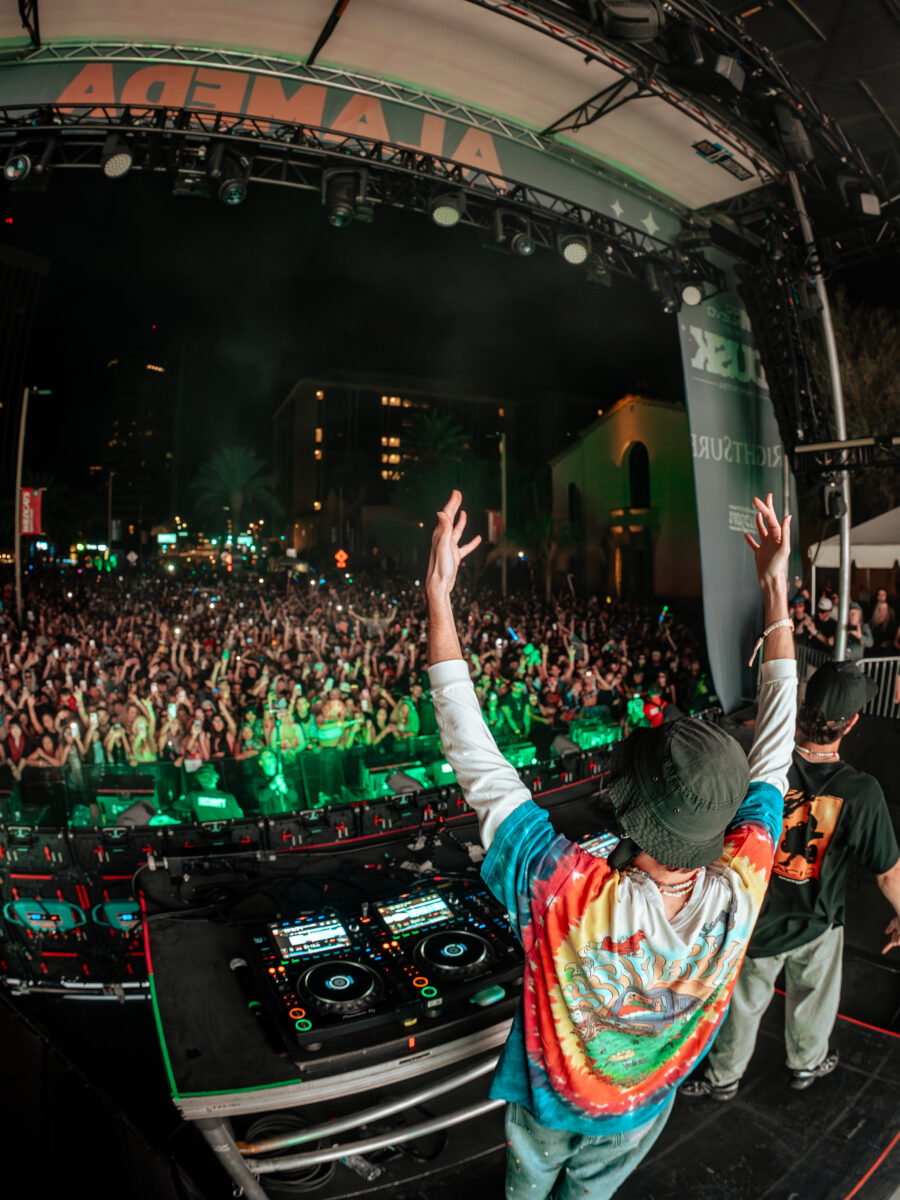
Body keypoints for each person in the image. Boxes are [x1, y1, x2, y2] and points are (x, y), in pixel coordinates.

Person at [425, 490, 796, 1200]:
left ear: (631, 814)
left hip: (554, 1103)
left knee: (529, 1185)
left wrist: (439, 599)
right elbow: (779, 748)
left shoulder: (570, 893)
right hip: (645, 1101)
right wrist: (776, 589)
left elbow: (475, 761)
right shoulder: (745, 874)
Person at [681, 658, 900, 1101]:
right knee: (813, 997)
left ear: (803, 711)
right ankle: (806, 1063)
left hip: (754, 921)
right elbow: (889, 875)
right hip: (818, 921)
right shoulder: (861, 791)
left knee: (742, 1005)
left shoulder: (760, 768)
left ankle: (723, 1077)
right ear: (852, 723)